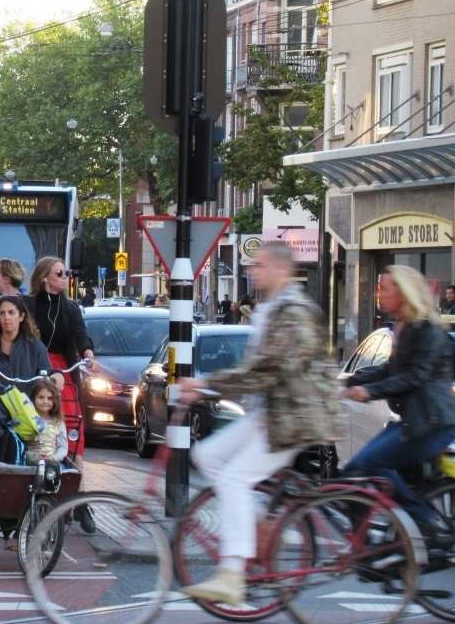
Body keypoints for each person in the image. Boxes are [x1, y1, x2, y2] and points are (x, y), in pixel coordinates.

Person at [176, 241, 340, 606]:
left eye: (260, 265)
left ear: (281, 269)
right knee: (207, 455)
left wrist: (204, 385)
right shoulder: (270, 309)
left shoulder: (293, 312)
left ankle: (233, 573)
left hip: (293, 418)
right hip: (269, 414)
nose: (252, 271)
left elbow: (266, 370)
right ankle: (255, 530)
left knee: (234, 476)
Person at [342, 264, 455, 550]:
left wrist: (368, 391)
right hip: (413, 421)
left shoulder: (426, 329)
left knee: (371, 463)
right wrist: (348, 383)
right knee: (353, 470)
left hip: (430, 424)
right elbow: (388, 370)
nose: (380, 293)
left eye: (386, 288)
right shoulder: (401, 327)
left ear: (404, 293)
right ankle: (363, 547)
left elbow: (415, 377)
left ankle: (422, 520)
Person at [23, 256, 100, 532]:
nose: (66, 276)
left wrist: (89, 355)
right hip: (36, 371)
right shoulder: (28, 305)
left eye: (67, 271)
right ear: (45, 277)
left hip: (64, 373)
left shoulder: (70, 308)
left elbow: (81, 337)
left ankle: (79, 501)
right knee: (37, 430)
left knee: (73, 433)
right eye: (60, 272)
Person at [27, 378, 67, 463]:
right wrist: (32, 456)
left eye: (49, 398)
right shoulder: (27, 419)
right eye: (41, 397)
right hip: (28, 463)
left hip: (51, 464)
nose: (45, 401)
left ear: (55, 400)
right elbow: (20, 444)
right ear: (33, 398)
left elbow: (63, 448)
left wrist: (53, 458)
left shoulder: (58, 422)